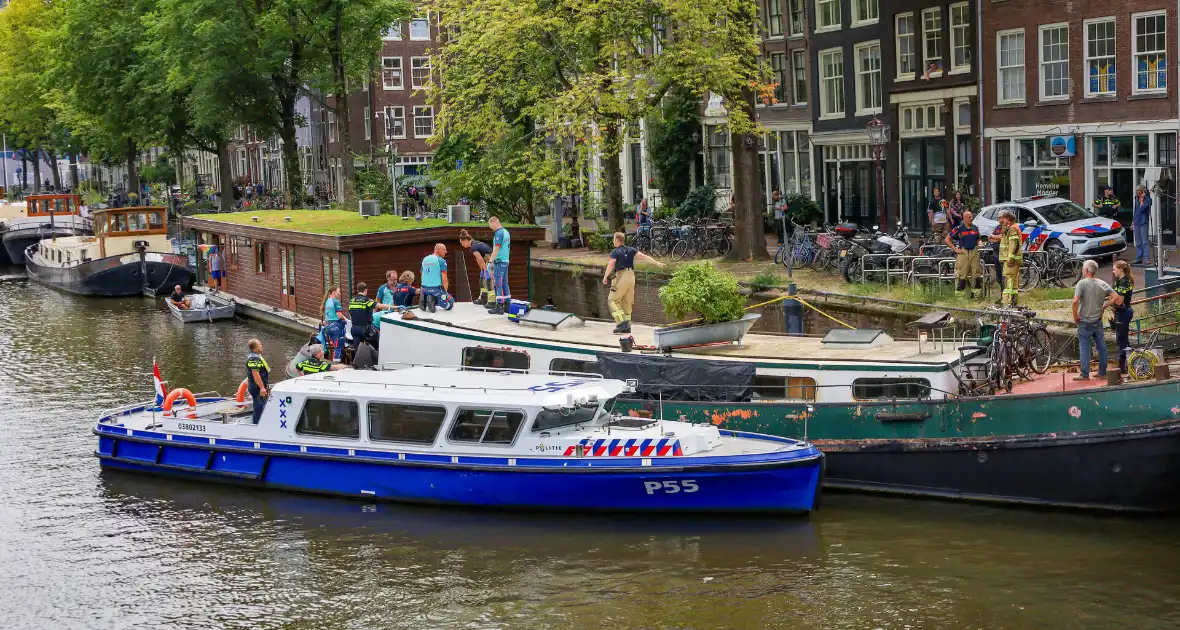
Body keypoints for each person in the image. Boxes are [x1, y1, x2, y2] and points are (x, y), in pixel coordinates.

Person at [603, 232, 666, 334]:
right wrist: (657, 263)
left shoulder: (615, 251)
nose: (613, 241)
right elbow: (643, 256)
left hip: (621, 276)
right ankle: (627, 327)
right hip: (631, 277)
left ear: (617, 240)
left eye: (614, 239)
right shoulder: (631, 250)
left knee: (612, 300)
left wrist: (605, 277)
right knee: (627, 303)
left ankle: (622, 323)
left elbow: (611, 264)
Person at [1073, 259, 1118, 381]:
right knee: (1101, 346)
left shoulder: (1081, 284)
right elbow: (1115, 297)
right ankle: (1102, 372)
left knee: (1084, 347)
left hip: (1084, 321)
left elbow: (1075, 301)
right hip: (1097, 321)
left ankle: (1084, 374)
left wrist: (1075, 316)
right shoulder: (1102, 284)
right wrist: (1104, 306)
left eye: (1083, 269)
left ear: (1086, 270)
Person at [989, 209, 1024, 306]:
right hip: (1011, 260)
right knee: (1013, 283)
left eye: (1002, 219)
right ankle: (1013, 302)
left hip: (1011, 261)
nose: (1001, 221)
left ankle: (1006, 303)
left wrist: (1010, 259)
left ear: (1008, 219)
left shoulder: (1013, 228)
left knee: (1008, 280)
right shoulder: (1011, 228)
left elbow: (1014, 245)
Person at [945, 211, 982, 298]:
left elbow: (978, 239)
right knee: (962, 274)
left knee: (976, 274)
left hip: (974, 253)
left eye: (971, 216)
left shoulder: (975, 228)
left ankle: (976, 297)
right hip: (963, 253)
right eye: (969, 217)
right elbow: (947, 239)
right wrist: (955, 249)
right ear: (964, 218)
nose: (971, 218)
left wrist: (980, 243)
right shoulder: (959, 228)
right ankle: (960, 298)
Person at [1110, 260, 1134, 375]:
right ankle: (1128, 363)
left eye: (1114, 269)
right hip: (1121, 312)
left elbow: (1119, 301)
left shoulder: (1125, 282)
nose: (1112, 271)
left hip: (1124, 312)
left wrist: (1109, 301)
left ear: (1120, 270)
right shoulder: (1120, 281)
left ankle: (1124, 366)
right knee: (1122, 338)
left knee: (1122, 339)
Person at [348, 282, 389, 348]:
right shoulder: (367, 301)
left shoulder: (352, 301)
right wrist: (393, 307)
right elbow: (380, 306)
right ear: (366, 290)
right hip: (364, 329)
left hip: (354, 329)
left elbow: (351, 313)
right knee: (377, 342)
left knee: (357, 349)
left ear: (358, 290)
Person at [459, 229, 494, 304]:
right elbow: (478, 259)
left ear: (465, 241)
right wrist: (482, 269)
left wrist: (485, 270)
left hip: (491, 258)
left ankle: (491, 300)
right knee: (482, 279)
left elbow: (480, 259)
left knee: (488, 279)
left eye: (462, 243)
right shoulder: (474, 244)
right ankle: (483, 297)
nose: (462, 245)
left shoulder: (473, 247)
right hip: (488, 258)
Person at [487, 216, 512, 315]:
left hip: (499, 261)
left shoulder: (499, 233)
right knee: (505, 282)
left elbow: (496, 249)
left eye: (491, 226)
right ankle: (507, 304)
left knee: (498, 283)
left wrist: (490, 262)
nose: (491, 228)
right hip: (506, 261)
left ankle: (499, 307)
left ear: (495, 223)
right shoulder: (506, 232)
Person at [420, 243, 452, 313]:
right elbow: (444, 279)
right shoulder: (441, 261)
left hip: (424, 289)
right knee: (450, 303)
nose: (446, 251)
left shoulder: (425, 259)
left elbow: (422, 274)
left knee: (430, 292)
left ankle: (426, 298)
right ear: (437, 250)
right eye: (444, 250)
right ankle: (433, 299)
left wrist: (424, 288)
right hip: (435, 289)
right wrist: (445, 293)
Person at [245, 338, 270, 424]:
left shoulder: (255, 356)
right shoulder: (254, 359)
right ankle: (257, 425)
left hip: (257, 386)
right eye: (260, 344)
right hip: (257, 387)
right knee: (259, 406)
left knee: (261, 405)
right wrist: (262, 388)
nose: (261, 346)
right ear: (255, 347)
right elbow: (256, 374)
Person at [323, 286, 349, 361]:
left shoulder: (327, 301)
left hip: (328, 327)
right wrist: (347, 320)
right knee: (338, 347)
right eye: (338, 291)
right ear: (334, 292)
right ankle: (336, 365)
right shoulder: (336, 301)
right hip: (336, 326)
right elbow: (339, 315)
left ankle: (338, 358)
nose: (340, 293)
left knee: (335, 345)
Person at [1132, 185, 1152, 265]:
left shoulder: (1148, 200)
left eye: (1139, 191)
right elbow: (1136, 210)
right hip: (1137, 222)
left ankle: (1147, 259)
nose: (1138, 193)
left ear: (1143, 191)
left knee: (1145, 241)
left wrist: (1142, 200)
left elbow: (1142, 209)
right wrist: (1133, 221)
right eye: (1137, 191)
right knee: (1138, 242)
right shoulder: (1136, 198)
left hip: (1143, 222)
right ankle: (1138, 258)